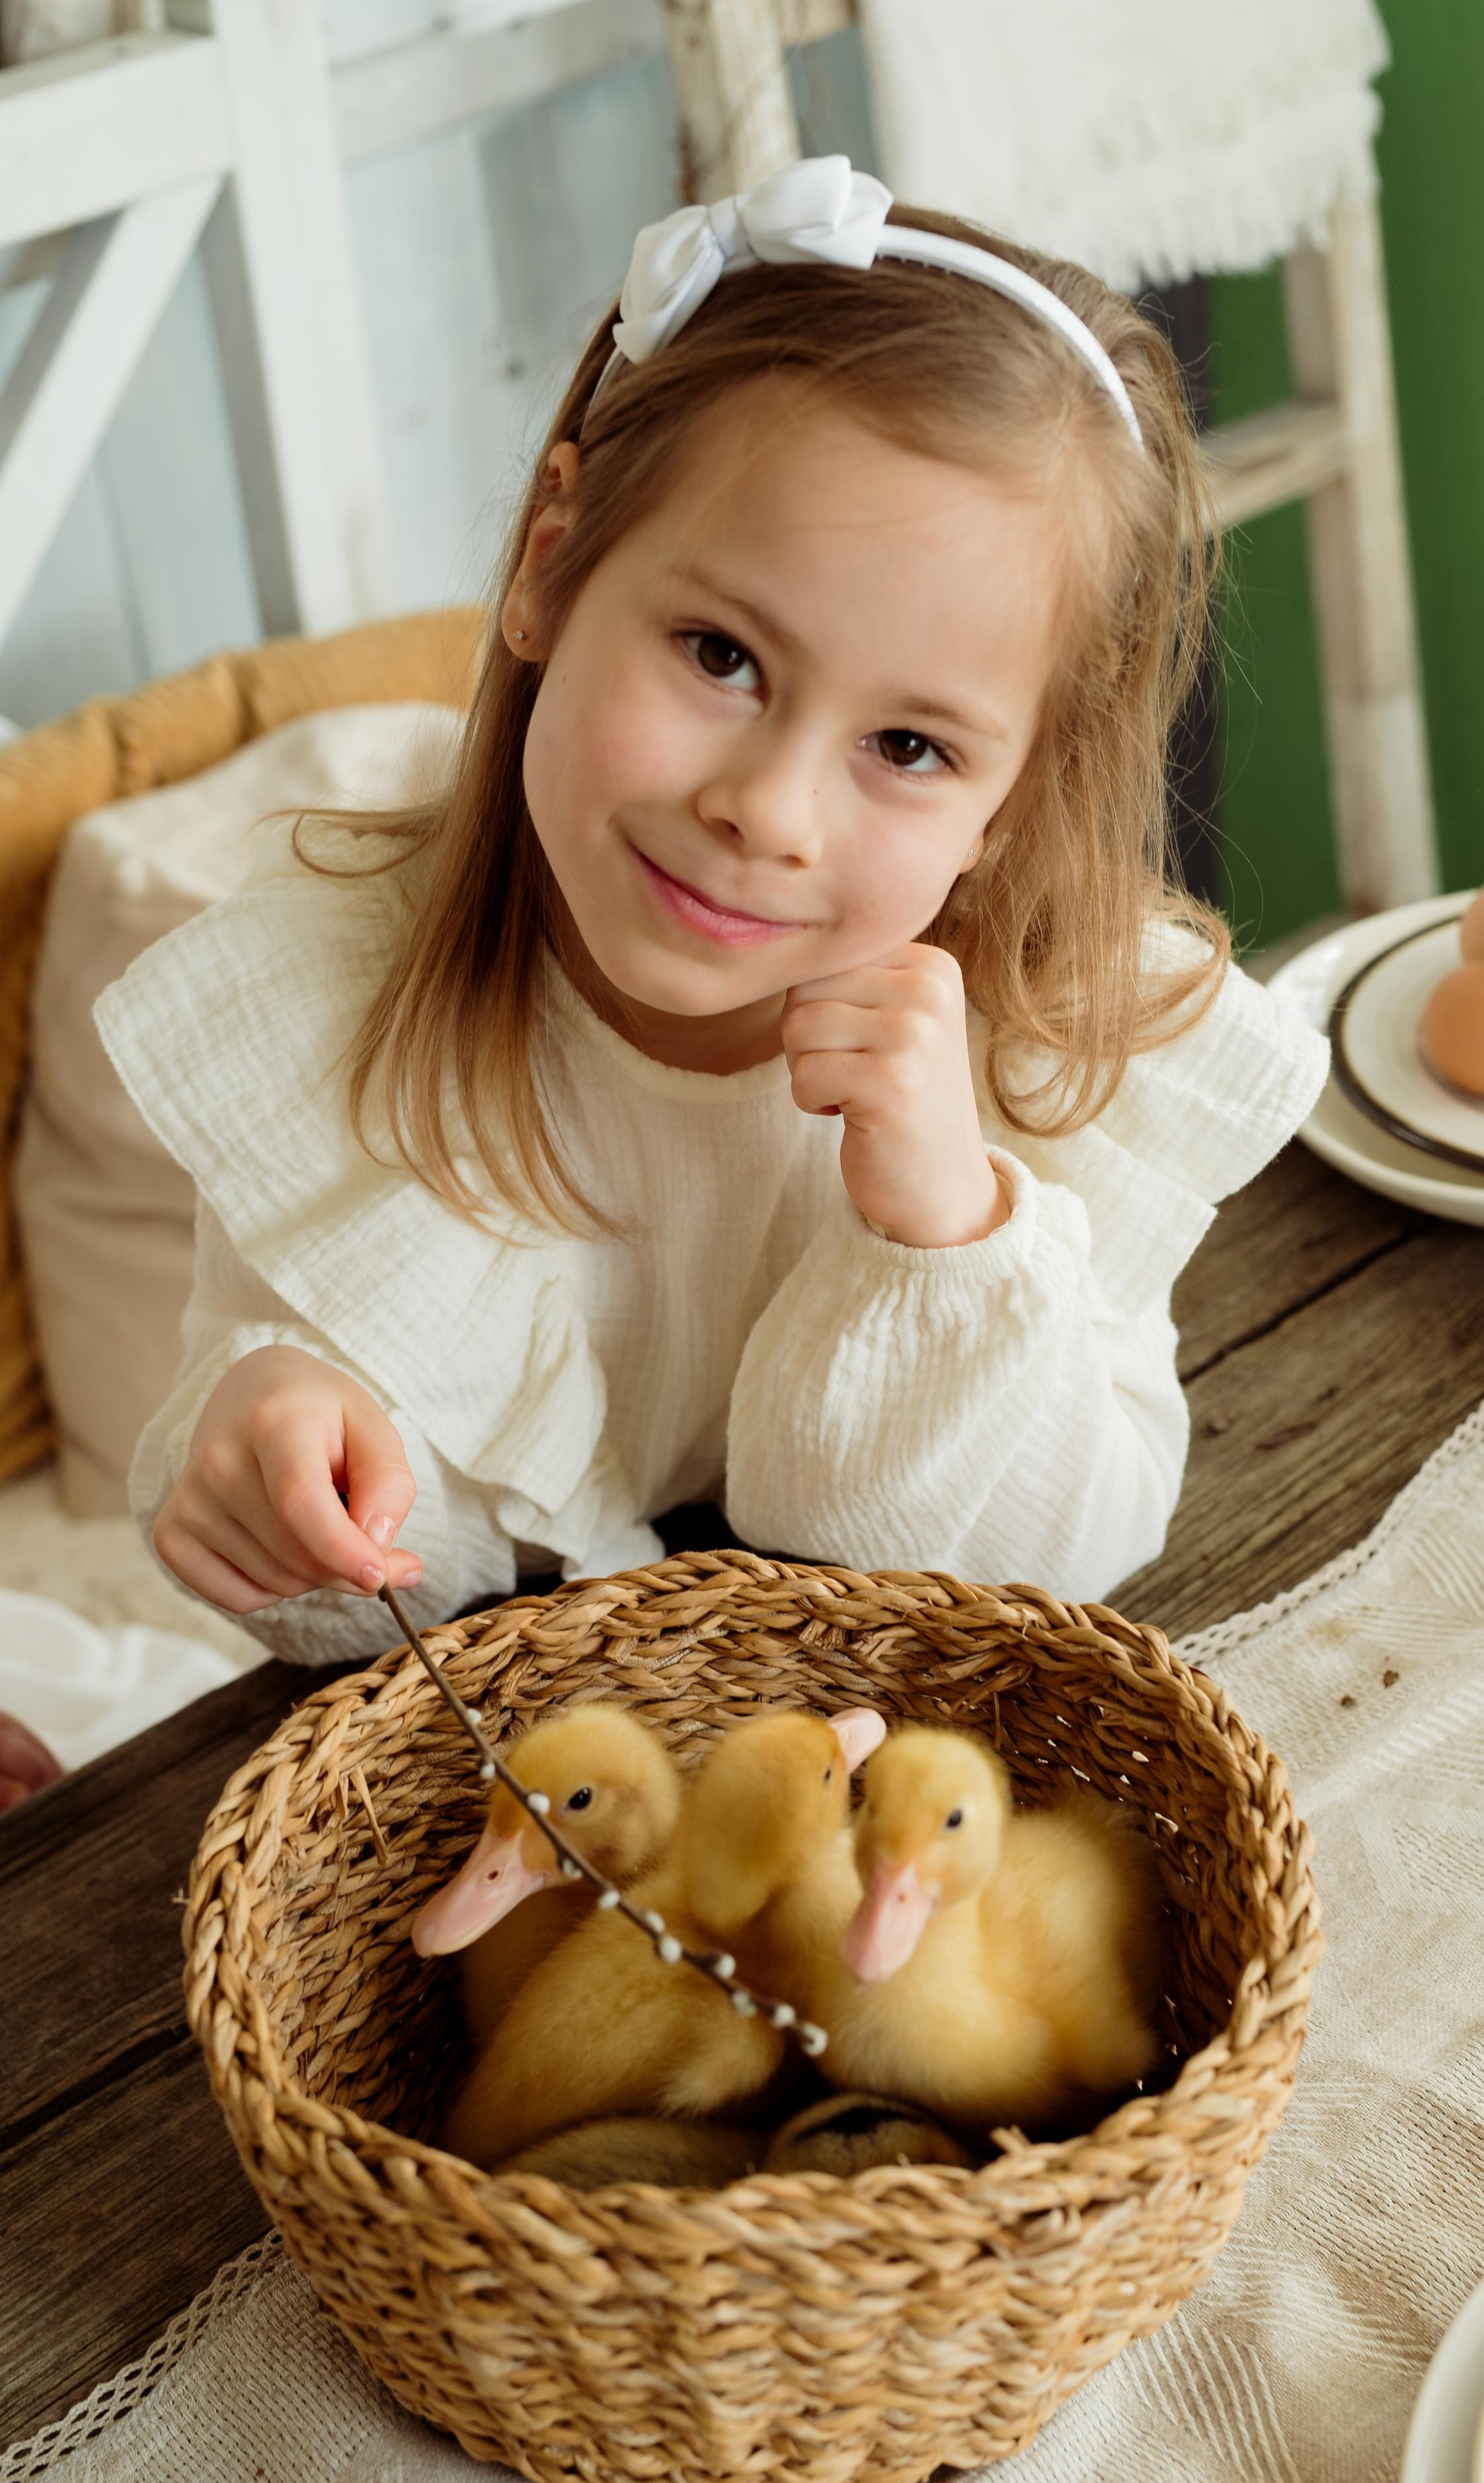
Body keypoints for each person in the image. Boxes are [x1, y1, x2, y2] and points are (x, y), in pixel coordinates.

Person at [98, 157, 1327, 1666]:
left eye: (907, 749)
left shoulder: (1040, 1052)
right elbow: (389, 1580)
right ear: (551, 564)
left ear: (1003, 810)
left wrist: (937, 1236)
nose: (771, 810)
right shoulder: (338, 1006)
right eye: (720, 655)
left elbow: (1050, 1556)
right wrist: (282, 1438)